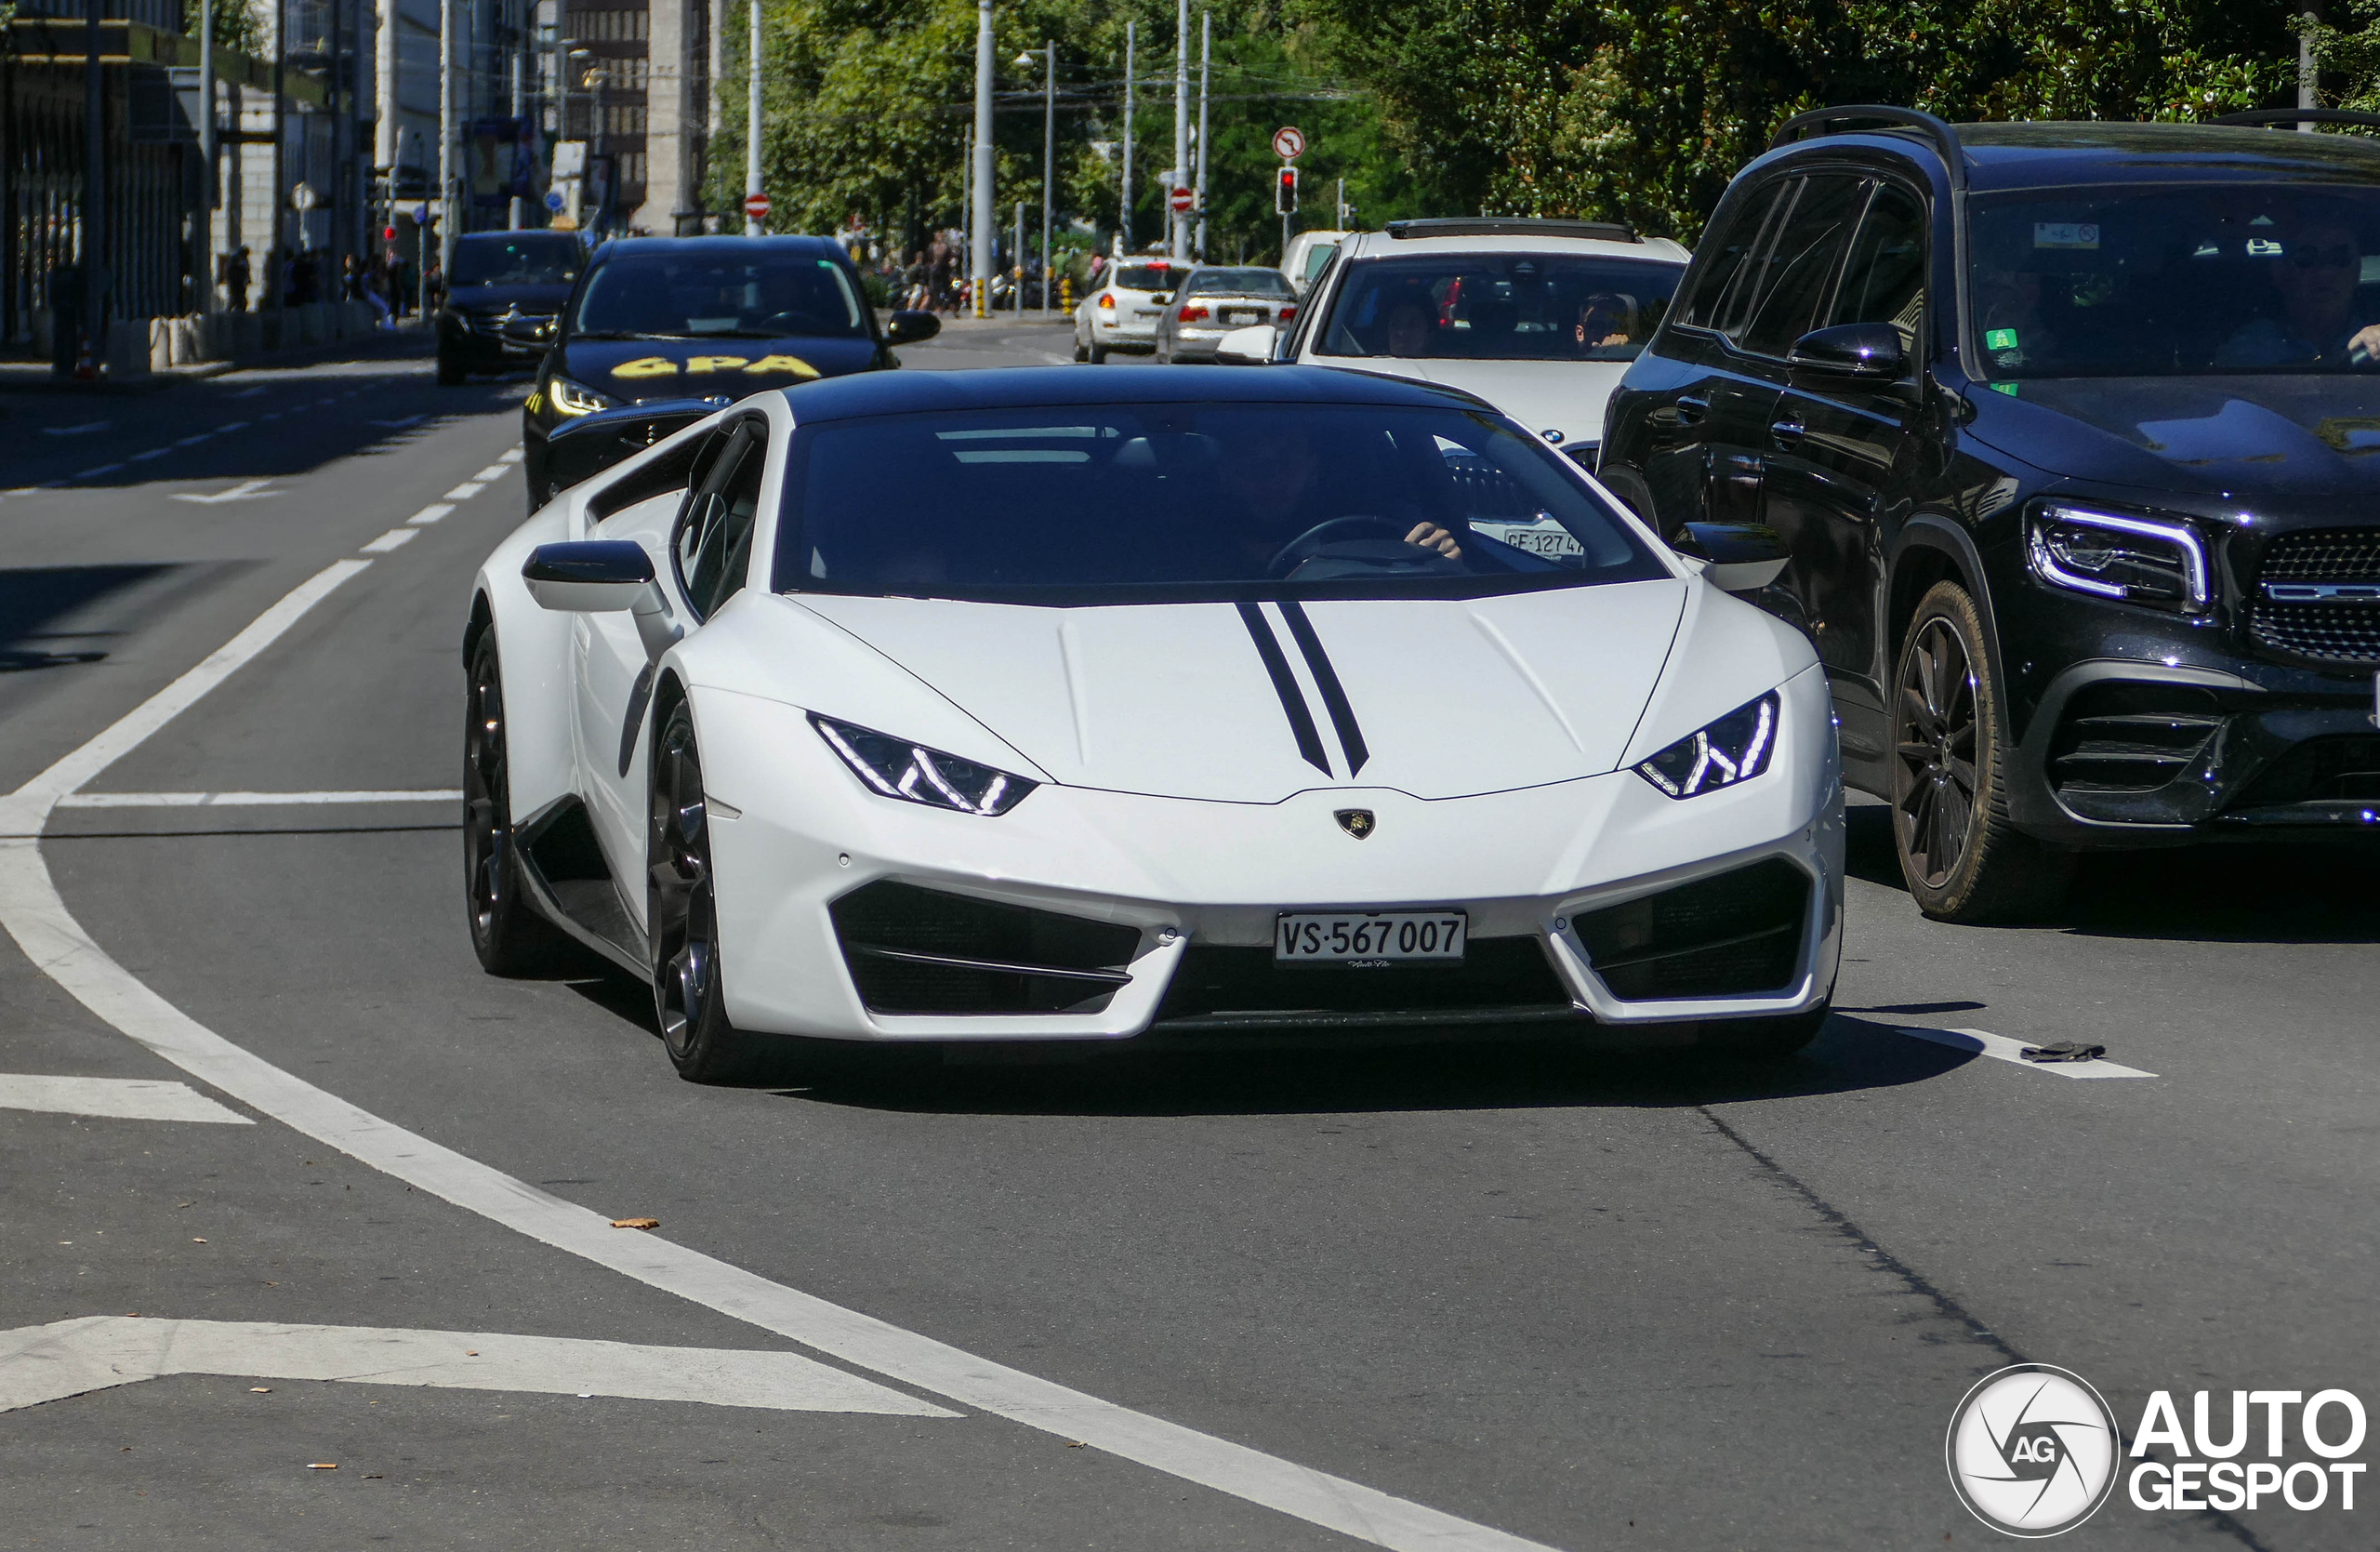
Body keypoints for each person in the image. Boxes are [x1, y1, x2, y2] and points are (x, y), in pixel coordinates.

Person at [1213, 423, 1461, 573]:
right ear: (1224, 472)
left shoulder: (1375, 534)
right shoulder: (1185, 550)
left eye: (1286, 459)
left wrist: (1445, 559)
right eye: (1250, 461)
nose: (1271, 477)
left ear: (1312, 469)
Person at [2218, 218, 2380, 368]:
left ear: (2357, 270)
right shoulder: (2252, 347)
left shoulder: (2376, 336)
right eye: (2306, 258)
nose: (2325, 271)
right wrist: (2346, 358)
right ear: (2280, 273)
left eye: (2340, 257)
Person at [223, 246, 251, 312]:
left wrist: (247, 278)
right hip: (236, 282)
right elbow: (231, 271)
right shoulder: (235, 259)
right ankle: (230, 310)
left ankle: (236, 310)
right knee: (236, 297)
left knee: (238, 298)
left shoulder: (243, 260)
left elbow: (246, 270)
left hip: (240, 282)